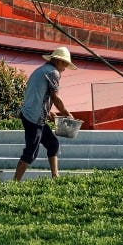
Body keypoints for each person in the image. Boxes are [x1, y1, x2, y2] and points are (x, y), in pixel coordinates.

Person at [14, 46, 77, 182]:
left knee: (53, 144)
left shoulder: (41, 70)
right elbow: (54, 97)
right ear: (58, 61)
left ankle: (55, 176)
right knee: (31, 152)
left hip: (32, 114)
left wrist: (48, 112)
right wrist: (67, 113)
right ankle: (15, 182)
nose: (64, 68)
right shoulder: (53, 72)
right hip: (34, 118)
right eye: (64, 64)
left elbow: (39, 95)